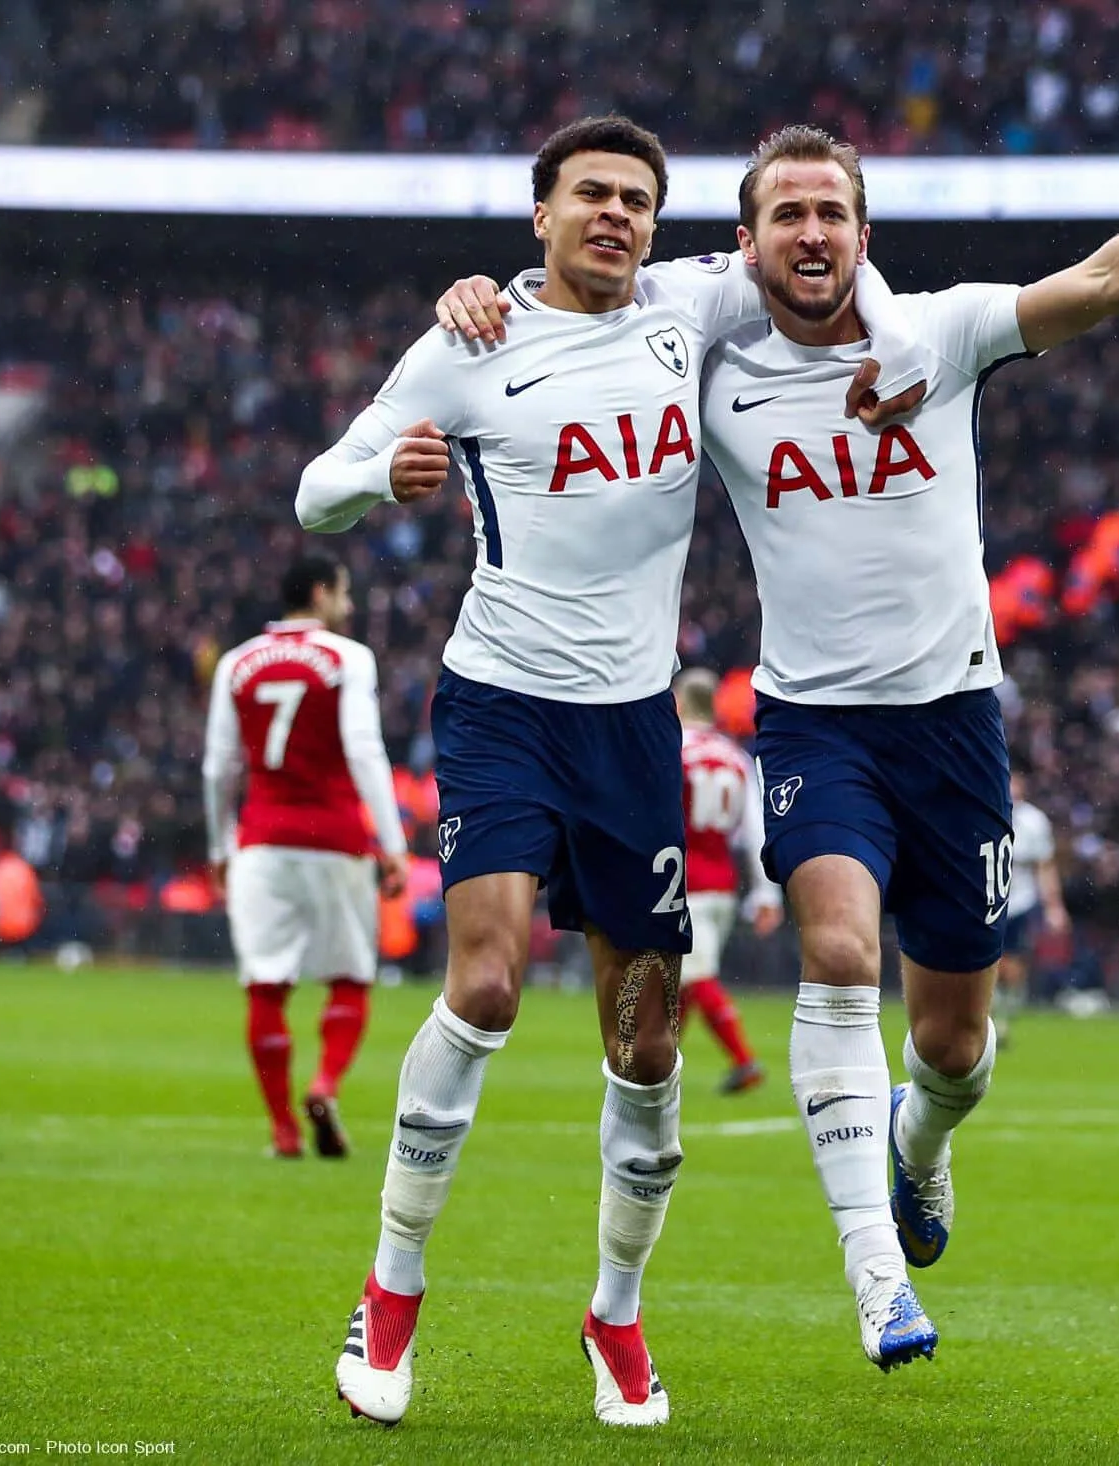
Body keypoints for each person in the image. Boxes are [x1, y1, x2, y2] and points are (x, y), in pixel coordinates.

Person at [438, 119, 1119, 1369]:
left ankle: (919, 1142)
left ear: (863, 233)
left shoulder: (937, 336)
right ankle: (875, 1274)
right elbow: (581, 300)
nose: (810, 233)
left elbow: (1106, 280)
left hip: (953, 722)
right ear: (745, 244)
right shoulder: (704, 365)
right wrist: (488, 292)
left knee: (953, 1046)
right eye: (785, 214)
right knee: (838, 951)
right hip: (811, 720)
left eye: (829, 212)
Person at [297, 115, 924, 1430]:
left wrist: (904, 340)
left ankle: (617, 1314)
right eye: (591, 194)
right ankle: (390, 1290)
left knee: (646, 1040)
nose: (615, 216)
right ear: (542, 214)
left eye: (636, 199)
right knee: (483, 981)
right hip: (501, 710)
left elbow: (820, 258)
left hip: (633, 730)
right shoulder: (468, 344)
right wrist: (380, 480)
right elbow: (316, 492)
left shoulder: (689, 306)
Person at [201, 555, 407, 1160]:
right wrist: (392, 844)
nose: (350, 605)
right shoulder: (349, 658)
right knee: (350, 978)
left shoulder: (236, 663)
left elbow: (218, 767)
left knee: (266, 986)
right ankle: (325, 1084)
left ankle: (283, 1131)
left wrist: (218, 846)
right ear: (321, 593)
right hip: (335, 839)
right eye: (344, 593)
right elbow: (364, 750)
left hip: (261, 841)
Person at [674, 667, 783, 1093]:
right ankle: (660, 1057)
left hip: (680, 880)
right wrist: (765, 893)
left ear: (680, 702)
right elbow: (755, 831)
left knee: (695, 975)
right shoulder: (735, 757)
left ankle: (744, 1060)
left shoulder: (675, 750)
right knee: (684, 979)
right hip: (722, 881)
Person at [995, 771, 1069, 1045]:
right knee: (990, 961)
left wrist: (1054, 906)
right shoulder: (984, 812)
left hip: (1020, 900)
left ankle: (1003, 1017)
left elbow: (1044, 866)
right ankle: (991, 1016)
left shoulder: (1035, 822)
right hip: (987, 897)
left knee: (1011, 963)